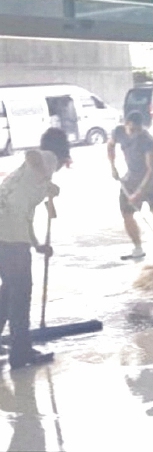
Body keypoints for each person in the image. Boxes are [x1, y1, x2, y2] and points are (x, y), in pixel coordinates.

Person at [0, 127, 70, 369]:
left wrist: (38, 245)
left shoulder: (30, 178)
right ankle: (21, 353)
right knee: (20, 292)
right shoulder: (48, 157)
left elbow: (26, 216)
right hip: (8, 229)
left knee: (9, 288)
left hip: (7, 228)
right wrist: (44, 176)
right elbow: (31, 154)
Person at [108, 111, 153, 261]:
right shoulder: (118, 132)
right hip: (131, 176)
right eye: (132, 129)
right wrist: (113, 166)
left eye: (137, 130)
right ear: (126, 124)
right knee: (126, 212)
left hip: (151, 179)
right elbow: (110, 146)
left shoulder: (148, 141)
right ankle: (137, 248)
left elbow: (152, 169)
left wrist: (139, 192)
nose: (135, 133)